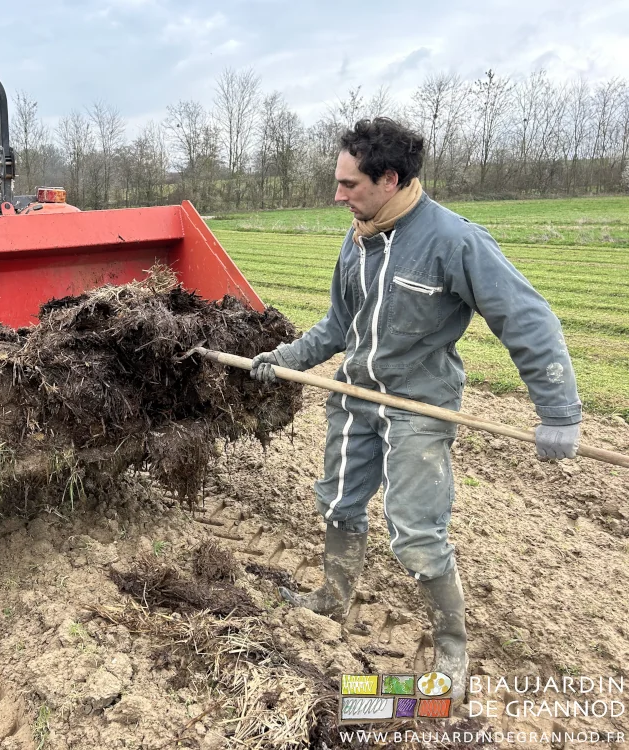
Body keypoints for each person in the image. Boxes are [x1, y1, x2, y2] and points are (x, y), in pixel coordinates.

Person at [250, 118, 582, 706]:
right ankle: (332, 597)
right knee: (337, 501)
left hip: (419, 405)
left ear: (390, 179)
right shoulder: (358, 239)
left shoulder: (454, 241)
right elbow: (339, 324)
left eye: (349, 184)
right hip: (357, 395)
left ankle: (452, 649)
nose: (338, 195)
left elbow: (526, 319)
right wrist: (284, 358)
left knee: (416, 533)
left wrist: (558, 411)